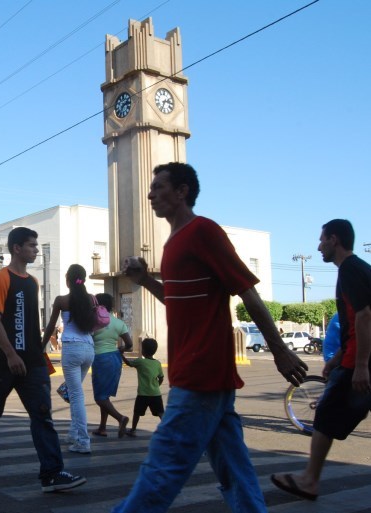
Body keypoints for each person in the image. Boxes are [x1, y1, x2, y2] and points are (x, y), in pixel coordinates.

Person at [114, 162, 307, 513]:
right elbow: (175, 298)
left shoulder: (203, 232)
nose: (150, 194)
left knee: (163, 465)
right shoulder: (173, 242)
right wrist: (144, 281)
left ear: (182, 191)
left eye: (158, 187)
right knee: (233, 467)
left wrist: (279, 351)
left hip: (202, 374)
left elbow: (248, 293)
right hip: (202, 373)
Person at [0, 227, 86, 492]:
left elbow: (29, 321)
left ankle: (52, 473)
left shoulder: (32, 282)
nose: (36, 250)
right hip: (3, 360)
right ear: (17, 248)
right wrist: (10, 354)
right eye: (32, 245)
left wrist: (37, 352)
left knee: (42, 414)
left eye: (36, 245)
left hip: (32, 360)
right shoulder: (1, 278)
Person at [271, 219, 371, 501]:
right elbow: (355, 325)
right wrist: (336, 359)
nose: (318, 247)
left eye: (322, 240)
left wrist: (360, 365)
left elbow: (365, 316)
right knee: (332, 413)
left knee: (326, 414)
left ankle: (309, 480)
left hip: (359, 362)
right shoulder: (360, 269)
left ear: (334, 240)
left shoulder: (350, 269)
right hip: (351, 358)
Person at [42, 263, 97, 454]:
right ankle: (74, 434)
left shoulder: (61, 300)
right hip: (89, 348)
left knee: (75, 396)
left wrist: (42, 347)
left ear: (68, 279)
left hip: (72, 349)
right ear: (83, 279)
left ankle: (83, 440)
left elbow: (50, 327)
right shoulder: (91, 299)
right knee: (75, 393)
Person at [91, 292, 133, 438]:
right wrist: (120, 349)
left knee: (100, 398)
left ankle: (120, 418)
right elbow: (129, 344)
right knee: (105, 395)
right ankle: (102, 427)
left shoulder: (95, 322)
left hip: (100, 359)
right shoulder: (118, 323)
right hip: (115, 359)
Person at [122, 338, 164, 436]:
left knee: (137, 412)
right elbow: (161, 377)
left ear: (143, 351)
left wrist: (121, 355)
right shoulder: (157, 363)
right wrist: (157, 386)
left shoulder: (140, 362)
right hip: (156, 394)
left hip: (143, 394)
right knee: (160, 413)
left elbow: (128, 363)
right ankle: (168, 430)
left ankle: (133, 430)